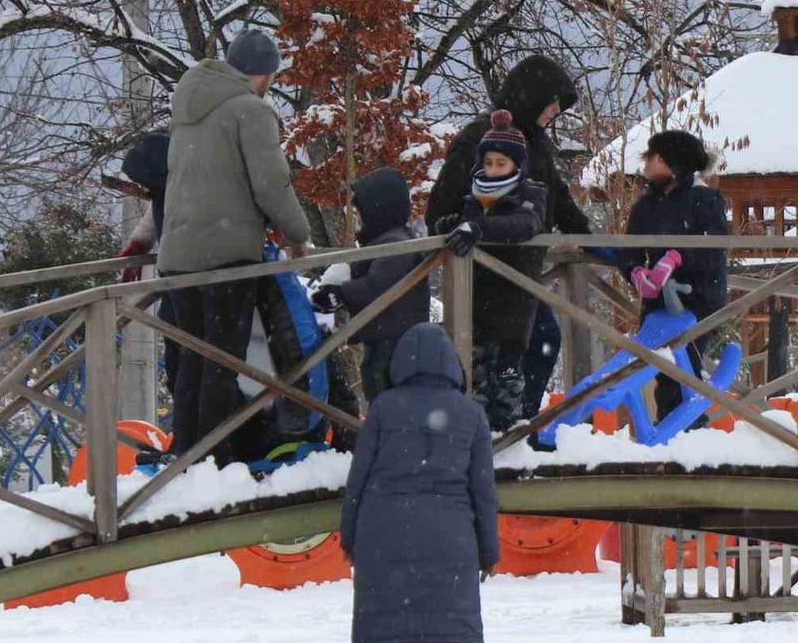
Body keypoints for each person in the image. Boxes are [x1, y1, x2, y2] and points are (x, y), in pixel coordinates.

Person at [156, 29, 311, 465]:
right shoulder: (251, 111)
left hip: (178, 254)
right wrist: (297, 235)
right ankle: (214, 458)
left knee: (192, 357)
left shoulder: (186, 111)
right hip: (225, 255)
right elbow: (271, 185)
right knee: (223, 359)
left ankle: (184, 450)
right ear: (264, 74)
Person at [341, 322, 499, 643]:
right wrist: (489, 550)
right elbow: (483, 492)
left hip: (385, 544)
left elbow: (357, 481)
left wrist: (349, 538)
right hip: (451, 544)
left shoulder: (383, 409)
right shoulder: (470, 414)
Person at [426, 55, 589, 420]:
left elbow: (558, 198)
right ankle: (493, 431)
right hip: (481, 272)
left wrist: (588, 237)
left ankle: (518, 422)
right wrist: (457, 228)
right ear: (532, 98)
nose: (552, 115)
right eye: (550, 107)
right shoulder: (480, 138)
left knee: (540, 341)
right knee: (488, 357)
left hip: (523, 273)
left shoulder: (537, 144)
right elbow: (441, 206)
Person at [435, 110, 547, 431]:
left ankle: (510, 439)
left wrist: (480, 229)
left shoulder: (531, 194)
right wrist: (452, 226)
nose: (494, 169)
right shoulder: (473, 197)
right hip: (477, 299)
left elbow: (524, 224)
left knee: (508, 379)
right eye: (489, 163)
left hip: (513, 300)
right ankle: (480, 440)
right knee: (474, 378)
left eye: (502, 163)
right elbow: (462, 224)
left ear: (517, 165)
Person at [619, 130, 729, 421]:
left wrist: (679, 256)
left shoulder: (705, 200)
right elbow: (628, 248)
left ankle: (686, 430)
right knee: (662, 368)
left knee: (684, 367)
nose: (646, 164)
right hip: (658, 302)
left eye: (653, 157)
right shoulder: (646, 205)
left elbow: (714, 248)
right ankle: (672, 428)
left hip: (699, 299)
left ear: (674, 162)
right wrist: (635, 271)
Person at [310, 168, 429, 402]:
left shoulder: (396, 245)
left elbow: (377, 286)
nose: (356, 220)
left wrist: (340, 294)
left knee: (384, 393)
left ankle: (388, 434)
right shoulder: (386, 241)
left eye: (359, 213)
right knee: (377, 387)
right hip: (386, 336)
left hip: (395, 340)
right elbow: (365, 271)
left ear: (378, 211)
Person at [116, 130, 181, 392]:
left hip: (200, 273)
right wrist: (139, 243)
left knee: (197, 356)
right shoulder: (168, 181)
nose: (146, 191)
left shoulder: (188, 175)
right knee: (180, 348)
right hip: (175, 276)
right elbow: (157, 212)